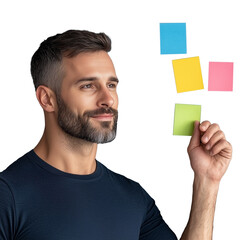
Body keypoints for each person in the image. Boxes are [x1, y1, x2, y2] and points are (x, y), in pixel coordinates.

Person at [0, 30, 232, 240]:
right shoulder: (8, 197)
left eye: (111, 85)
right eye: (88, 86)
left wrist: (207, 181)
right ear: (47, 99)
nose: (108, 99)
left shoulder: (133, 198)